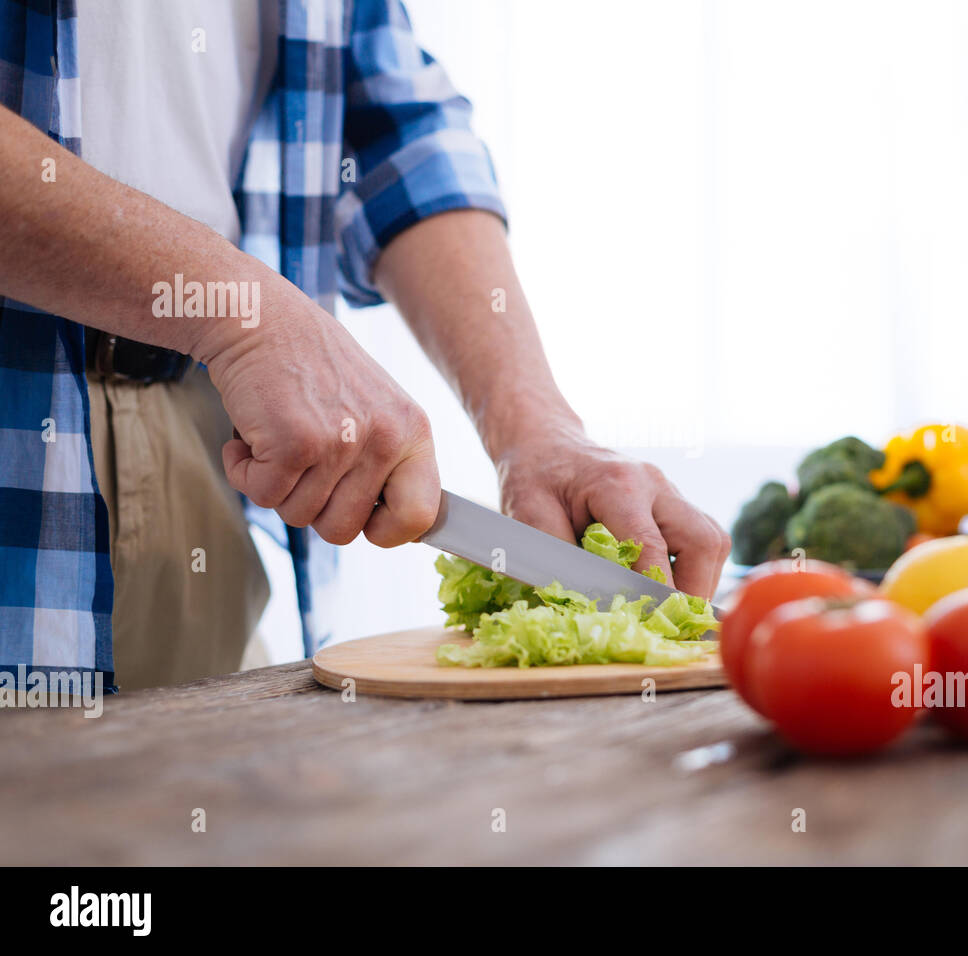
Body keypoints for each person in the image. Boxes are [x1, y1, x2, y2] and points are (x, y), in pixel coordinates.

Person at [0, 0, 729, 690]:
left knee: (209, 807)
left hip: (195, 442)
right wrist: (244, 313)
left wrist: (537, 430)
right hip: (22, 431)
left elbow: (391, 131)